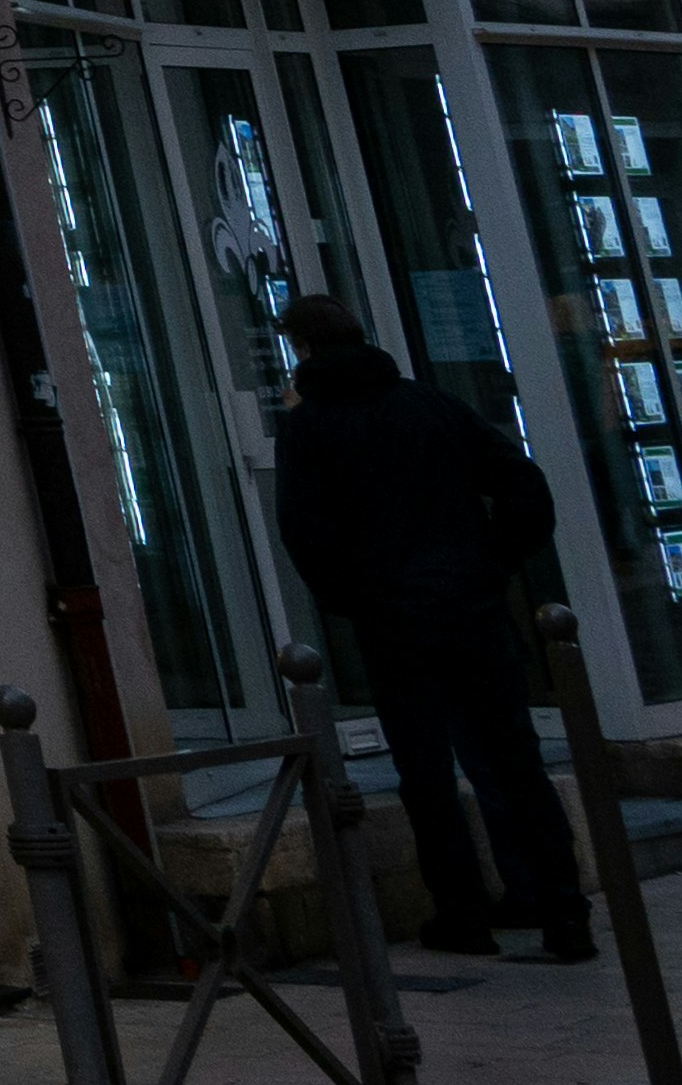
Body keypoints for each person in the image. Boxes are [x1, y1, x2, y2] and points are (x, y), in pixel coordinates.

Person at [264, 293, 592, 961]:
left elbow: (305, 529)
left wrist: (353, 596)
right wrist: (492, 561)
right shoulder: (428, 404)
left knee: (425, 773)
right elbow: (523, 484)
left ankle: (462, 914)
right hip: (471, 608)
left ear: (301, 347)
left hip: (394, 617)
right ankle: (563, 912)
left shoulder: (310, 427)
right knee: (516, 761)